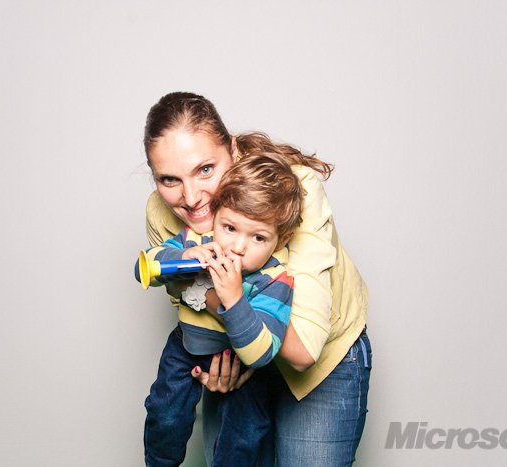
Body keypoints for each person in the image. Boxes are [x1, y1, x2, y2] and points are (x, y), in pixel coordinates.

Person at [142, 91, 371, 466]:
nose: (192, 197)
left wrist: (218, 296)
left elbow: (303, 352)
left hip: (318, 359)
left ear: (232, 150)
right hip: (237, 351)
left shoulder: (296, 189)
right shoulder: (161, 211)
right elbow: (181, 299)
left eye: (205, 170)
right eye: (169, 179)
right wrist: (216, 351)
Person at [138, 152, 304, 467]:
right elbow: (144, 269)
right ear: (216, 215)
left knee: (245, 434)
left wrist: (234, 299)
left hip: (242, 365)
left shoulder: (275, 280)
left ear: (281, 239)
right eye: (229, 228)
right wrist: (184, 256)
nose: (237, 247)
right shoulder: (197, 239)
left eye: (258, 237)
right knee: (165, 414)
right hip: (185, 348)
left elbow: (262, 354)